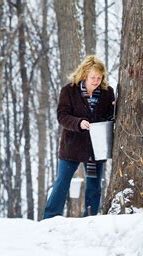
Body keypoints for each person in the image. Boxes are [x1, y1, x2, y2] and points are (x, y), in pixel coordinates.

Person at [43, 55, 115, 219]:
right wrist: (79, 123)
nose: (96, 81)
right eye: (93, 77)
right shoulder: (69, 91)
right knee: (62, 182)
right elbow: (62, 116)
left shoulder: (107, 93)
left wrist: (115, 109)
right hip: (72, 147)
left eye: (99, 78)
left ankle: (90, 218)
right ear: (84, 75)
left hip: (95, 149)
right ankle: (50, 217)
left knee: (94, 186)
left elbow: (110, 117)